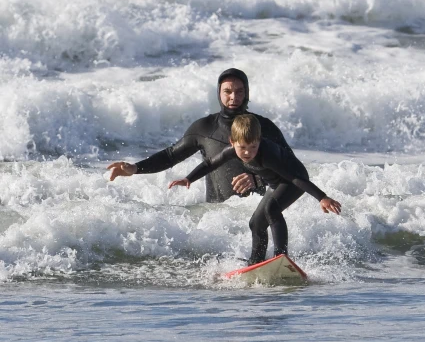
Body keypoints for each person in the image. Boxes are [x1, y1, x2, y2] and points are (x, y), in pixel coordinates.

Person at [170, 114, 342, 264]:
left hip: (294, 180)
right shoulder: (232, 150)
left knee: (271, 210)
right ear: (232, 141)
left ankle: (282, 257)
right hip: (276, 183)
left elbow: (294, 178)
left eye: (253, 146)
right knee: (256, 223)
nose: (247, 152)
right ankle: (256, 261)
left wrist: (321, 197)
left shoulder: (267, 155)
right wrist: (188, 178)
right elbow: (210, 163)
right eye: (242, 147)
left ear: (259, 141)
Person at [106, 68, 293, 202]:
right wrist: (135, 168)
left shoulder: (264, 127)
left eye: (239, 91)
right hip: (216, 219)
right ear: (219, 93)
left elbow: (292, 167)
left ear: (247, 93)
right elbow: (171, 156)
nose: (233, 97)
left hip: (256, 213)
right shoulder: (204, 128)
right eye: (227, 91)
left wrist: (258, 179)